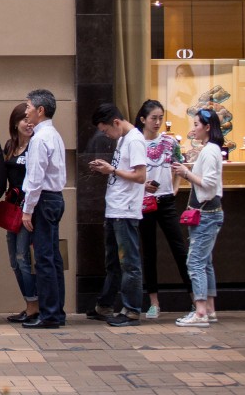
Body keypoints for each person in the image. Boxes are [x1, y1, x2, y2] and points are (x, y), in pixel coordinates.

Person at [87, 103, 147, 327]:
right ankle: (105, 304)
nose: (106, 135)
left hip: (126, 209)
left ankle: (132, 310)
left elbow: (140, 175)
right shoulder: (123, 139)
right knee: (113, 261)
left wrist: (111, 170)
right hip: (115, 208)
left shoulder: (135, 140)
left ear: (116, 122)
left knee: (128, 262)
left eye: (105, 130)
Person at [134, 99, 191, 319]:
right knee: (149, 251)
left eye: (160, 117)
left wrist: (175, 188)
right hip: (145, 201)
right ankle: (154, 302)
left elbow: (179, 166)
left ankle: (195, 298)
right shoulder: (136, 142)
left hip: (166, 200)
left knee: (179, 247)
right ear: (143, 119)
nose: (157, 122)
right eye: (153, 118)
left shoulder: (169, 142)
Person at [172, 108, 225, 327]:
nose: (193, 128)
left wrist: (186, 173)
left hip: (206, 215)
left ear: (207, 127)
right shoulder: (210, 150)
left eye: (196, 124)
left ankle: (201, 311)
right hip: (207, 214)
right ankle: (209, 309)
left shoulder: (210, 151)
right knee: (205, 262)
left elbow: (210, 183)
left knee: (195, 262)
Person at [20, 90, 68, 329]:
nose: (25, 110)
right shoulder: (53, 135)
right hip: (54, 198)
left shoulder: (40, 138)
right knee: (53, 258)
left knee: (44, 259)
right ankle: (56, 311)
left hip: (44, 201)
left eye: (28, 106)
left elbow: (36, 178)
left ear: (40, 110)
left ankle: (49, 314)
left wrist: (28, 209)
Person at [2, 102, 37, 324]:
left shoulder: (36, 145)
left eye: (31, 119)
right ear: (15, 123)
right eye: (24, 119)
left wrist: (30, 210)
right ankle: (28, 304)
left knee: (24, 258)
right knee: (14, 261)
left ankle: (35, 307)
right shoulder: (9, 146)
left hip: (28, 210)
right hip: (12, 209)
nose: (28, 123)